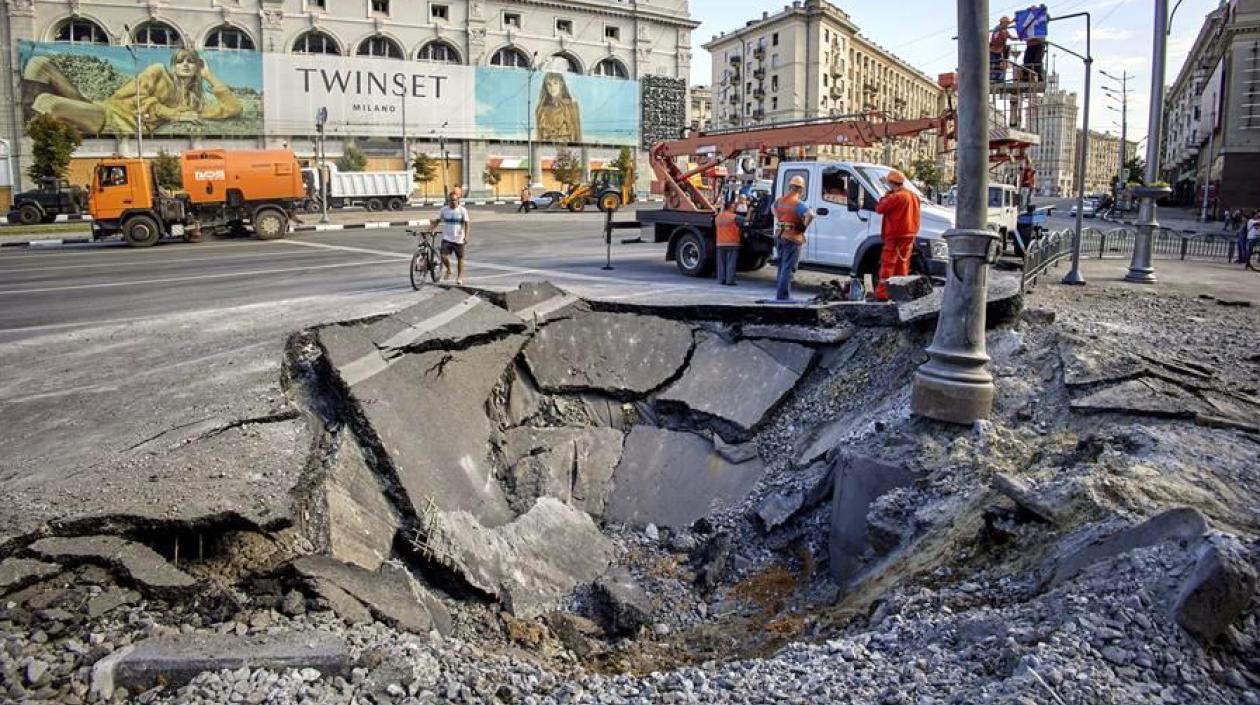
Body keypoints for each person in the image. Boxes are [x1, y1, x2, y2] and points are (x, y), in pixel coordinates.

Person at [23, 49, 242, 136]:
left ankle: (37, 123)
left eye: (191, 62)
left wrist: (209, 76)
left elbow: (234, 108)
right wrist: (170, 112)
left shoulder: (194, 103)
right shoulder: (157, 71)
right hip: (104, 108)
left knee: (49, 103)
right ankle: (32, 123)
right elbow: (131, 96)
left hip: (114, 122)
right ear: (173, 65)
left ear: (197, 67)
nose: (185, 64)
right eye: (180, 60)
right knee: (39, 63)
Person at [873, 169, 921, 301]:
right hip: (909, 235)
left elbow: (879, 208)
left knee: (888, 265)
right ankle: (900, 293)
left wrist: (886, 195)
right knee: (902, 266)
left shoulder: (896, 197)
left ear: (891, 183)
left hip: (895, 236)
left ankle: (882, 294)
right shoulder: (913, 196)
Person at [772, 175, 814, 302]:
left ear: (790, 187)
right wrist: (803, 226)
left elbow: (772, 209)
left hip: (779, 235)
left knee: (781, 266)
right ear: (800, 190)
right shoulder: (798, 203)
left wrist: (780, 218)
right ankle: (783, 296)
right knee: (787, 268)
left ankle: (780, 295)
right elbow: (810, 214)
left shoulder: (779, 201)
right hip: (792, 237)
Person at [430, 191, 471, 285]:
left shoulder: (462, 210)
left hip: (459, 239)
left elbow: (467, 223)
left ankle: (460, 277)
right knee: (443, 256)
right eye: (450, 200)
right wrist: (430, 229)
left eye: (454, 200)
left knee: (460, 259)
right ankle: (448, 269)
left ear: (458, 200)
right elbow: (438, 221)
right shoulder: (444, 210)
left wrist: (466, 236)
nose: (452, 202)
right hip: (447, 238)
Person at [536, 73, 582, 143]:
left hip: (567, 147)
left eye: (555, 83)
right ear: (545, 87)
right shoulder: (540, 109)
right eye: (549, 84)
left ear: (561, 84)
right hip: (547, 148)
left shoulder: (571, 106)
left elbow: (577, 133)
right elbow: (539, 135)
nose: (552, 87)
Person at [714, 197, 743, 286]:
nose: (735, 208)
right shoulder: (734, 217)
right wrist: (750, 211)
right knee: (731, 263)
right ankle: (730, 281)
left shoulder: (718, 217)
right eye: (734, 206)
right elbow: (745, 220)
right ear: (730, 207)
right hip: (732, 243)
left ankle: (721, 280)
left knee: (721, 263)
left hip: (720, 243)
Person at [990, 17, 1015, 83]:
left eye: (1007, 22)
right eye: (1006, 22)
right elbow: (1001, 27)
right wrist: (1012, 21)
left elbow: (1012, 38)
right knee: (992, 65)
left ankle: (999, 79)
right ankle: (991, 79)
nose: (1007, 25)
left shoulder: (1006, 32)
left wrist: (1019, 37)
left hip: (1000, 52)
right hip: (992, 51)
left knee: (1000, 65)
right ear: (1002, 22)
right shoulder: (997, 28)